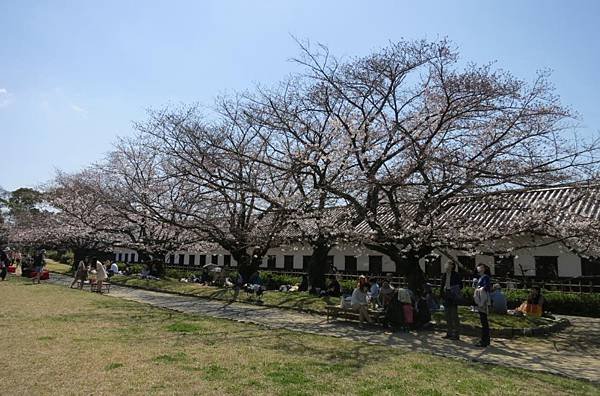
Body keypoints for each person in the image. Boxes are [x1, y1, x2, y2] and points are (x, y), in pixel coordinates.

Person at [440, 261, 462, 340]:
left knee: (454, 315)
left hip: (453, 295)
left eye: (449, 264)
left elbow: (460, 285)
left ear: (453, 266)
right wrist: (441, 295)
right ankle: (449, 332)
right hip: (446, 295)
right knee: (447, 315)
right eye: (447, 264)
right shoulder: (445, 274)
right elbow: (442, 285)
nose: (447, 266)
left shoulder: (456, 275)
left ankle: (456, 334)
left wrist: (454, 289)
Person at [473, 263, 492, 347]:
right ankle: (484, 339)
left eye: (481, 267)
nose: (479, 268)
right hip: (480, 299)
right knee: (483, 320)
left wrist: (482, 288)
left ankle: (485, 340)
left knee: (484, 321)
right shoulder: (479, 278)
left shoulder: (486, 277)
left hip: (483, 300)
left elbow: (487, 287)